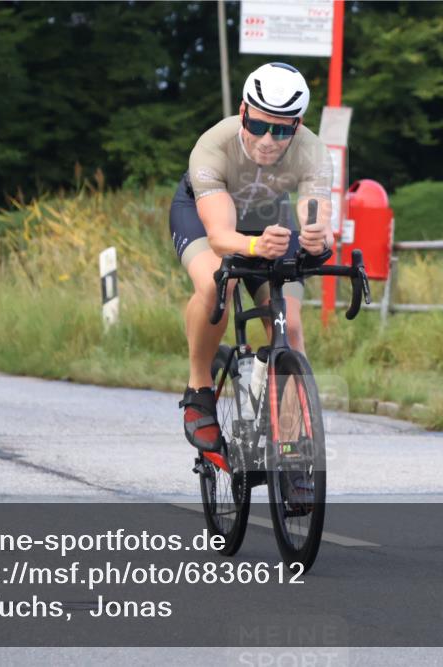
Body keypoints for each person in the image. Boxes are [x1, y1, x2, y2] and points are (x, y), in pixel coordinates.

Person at [169, 62, 334, 451]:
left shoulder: (312, 150)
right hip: (203, 214)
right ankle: (199, 388)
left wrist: (314, 236)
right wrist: (255, 247)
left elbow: (315, 211)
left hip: (266, 218)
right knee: (215, 285)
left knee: (290, 328)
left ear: (298, 124)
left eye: (281, 130)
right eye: (258, 125)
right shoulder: (214, 144)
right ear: (243, 112)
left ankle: (293, 450)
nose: (268, 140)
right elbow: (221, 236)